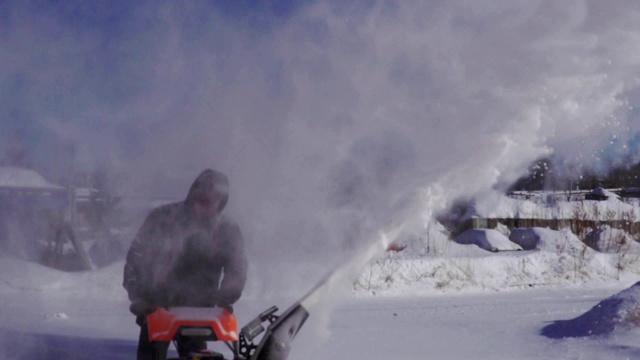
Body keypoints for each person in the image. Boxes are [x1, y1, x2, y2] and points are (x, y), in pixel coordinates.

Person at [123, 169, 248, 360]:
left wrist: (225, 299)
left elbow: (237, 267)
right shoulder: (162, 219)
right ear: (192, 195)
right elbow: (135, 258)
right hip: (156, 307)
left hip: (200, 313)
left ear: (220, 204)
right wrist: (139, 298)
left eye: (210, 202)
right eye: (200, 199)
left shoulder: (226, 230)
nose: (202, 207)